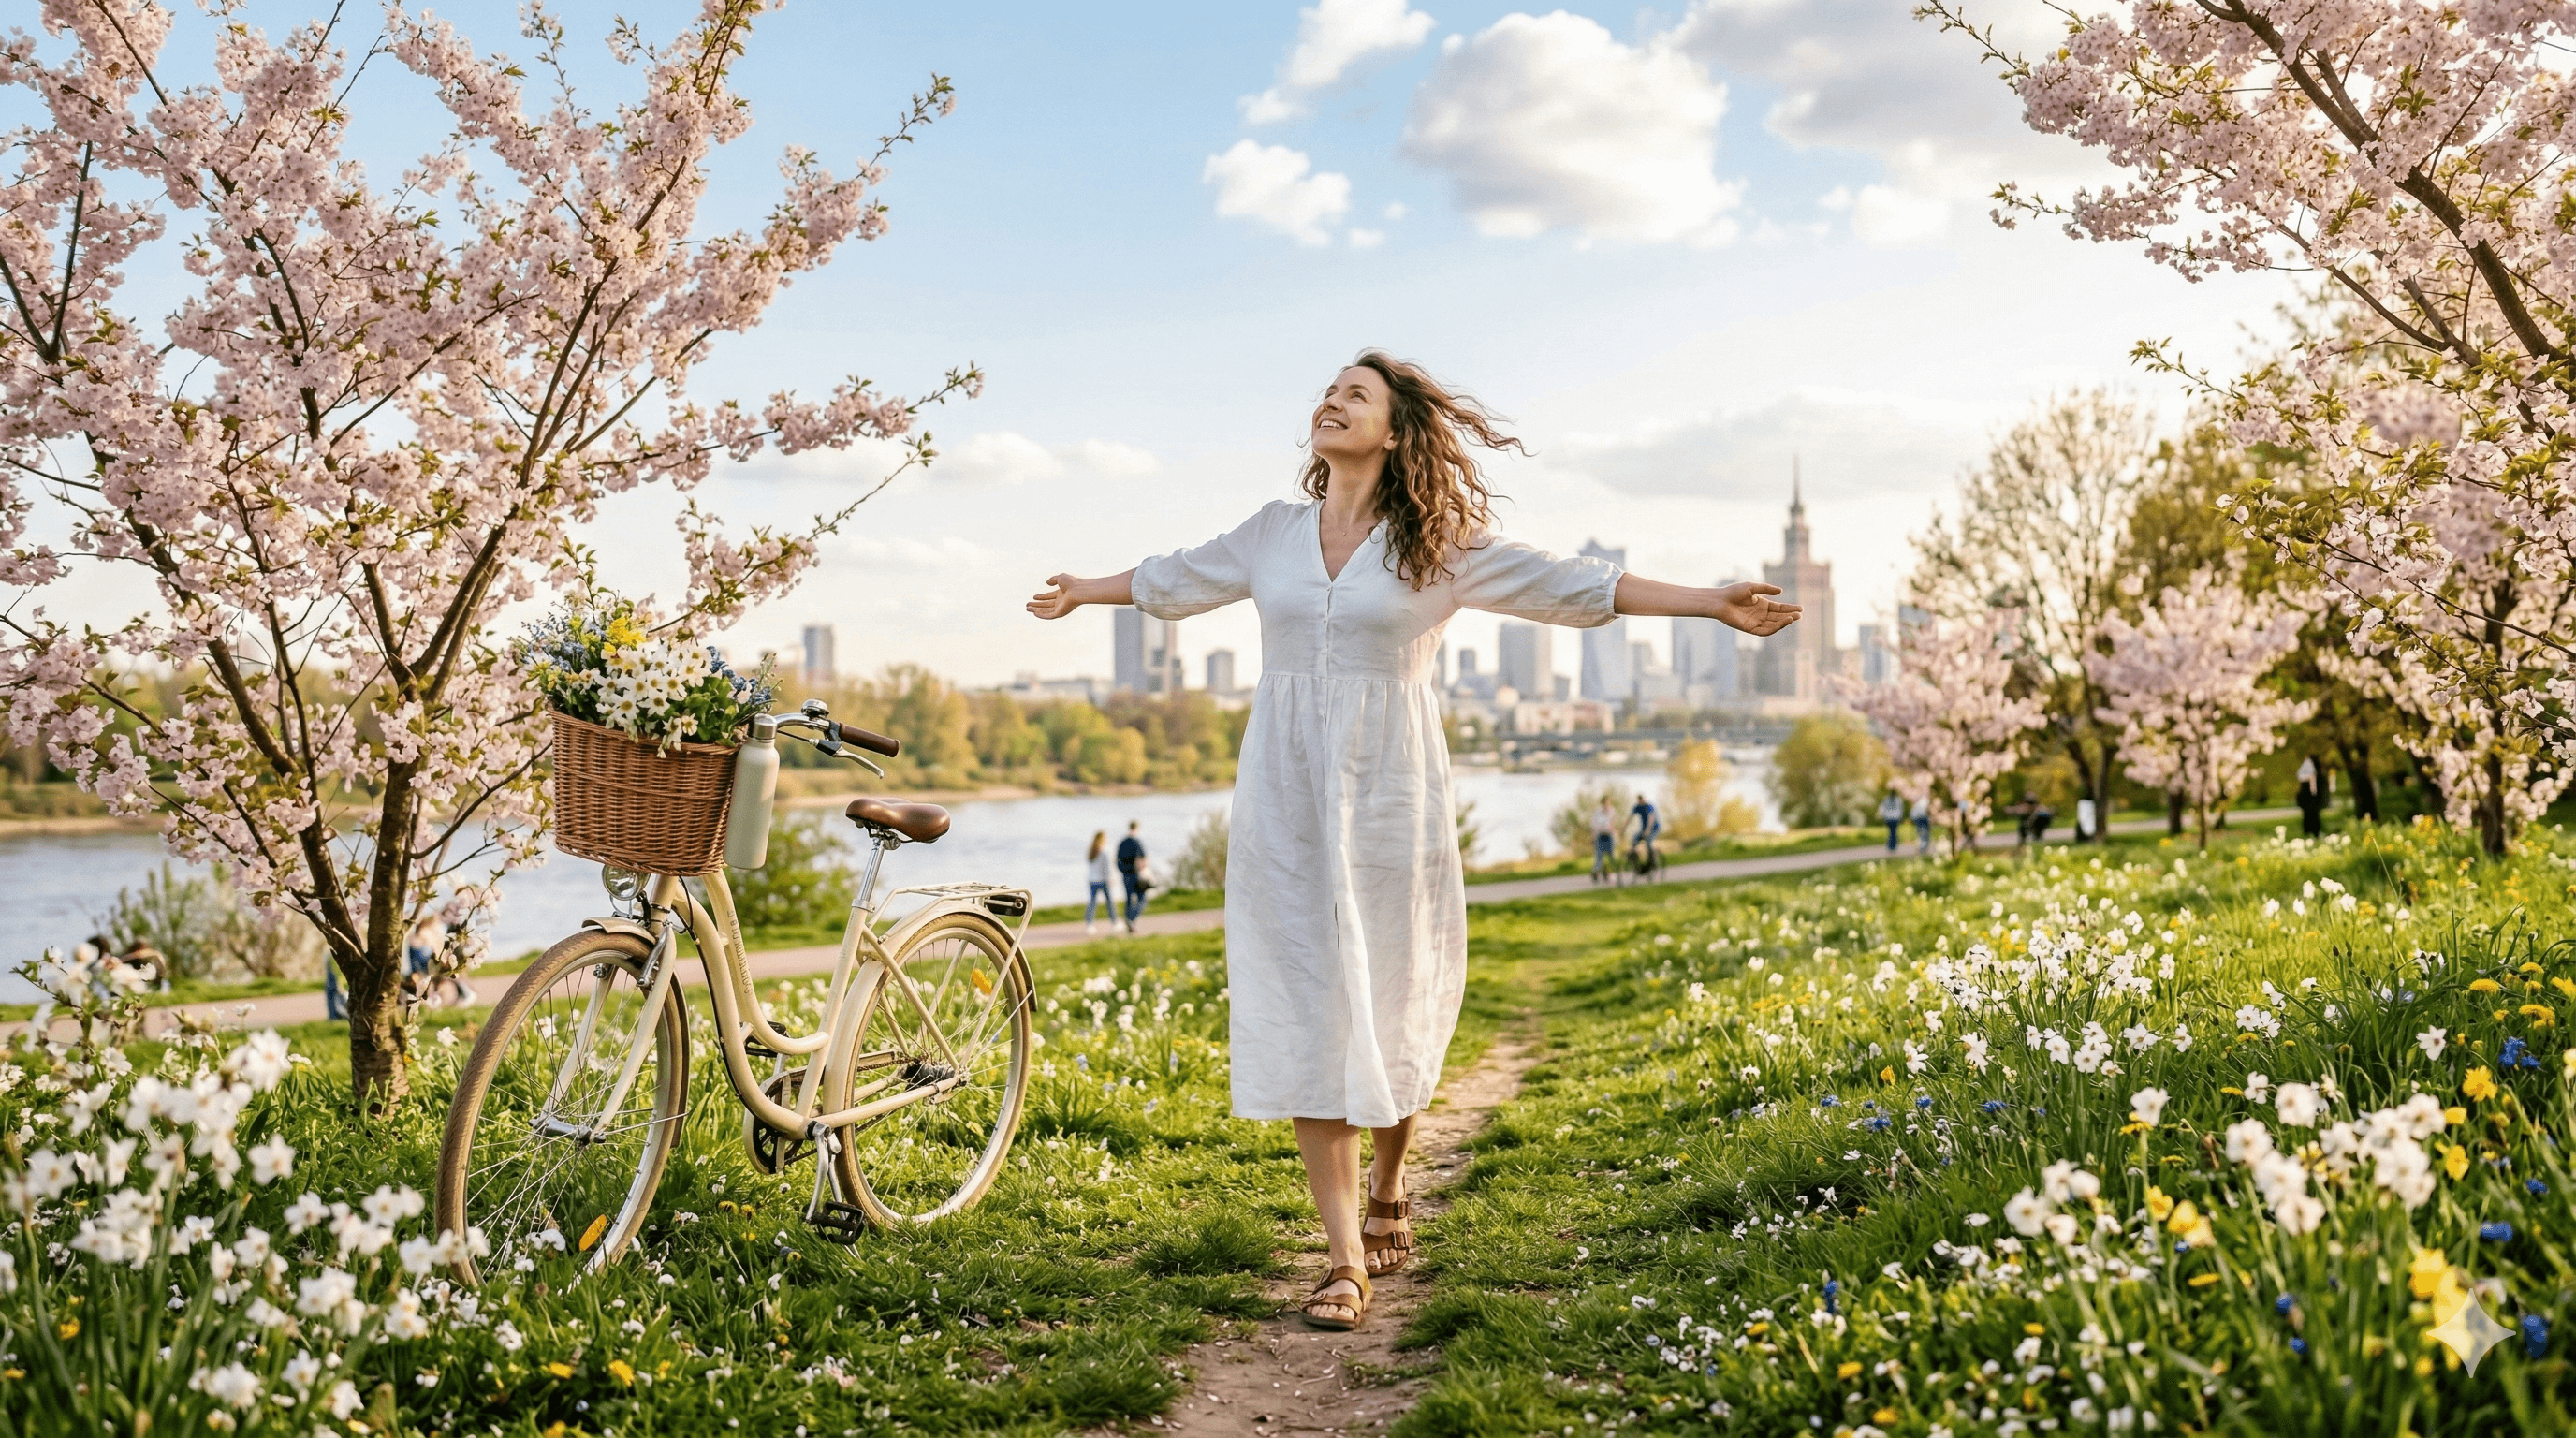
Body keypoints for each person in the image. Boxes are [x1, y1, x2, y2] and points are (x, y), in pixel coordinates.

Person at [1026, 349, 1800, 1330]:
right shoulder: (1272, 534)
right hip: (1286, 791)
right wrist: (1081, 589)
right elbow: (1174, 577)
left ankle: (1393, 1180)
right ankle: (1343, 1259)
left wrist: (1707, 602)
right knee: (1307, 987)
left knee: (1389, 990)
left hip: (1393, 790)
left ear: (1393, 433)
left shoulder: (1437, 542)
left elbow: (1568, 585)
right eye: (1327, 389)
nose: (1330, 400)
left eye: (1355, 395)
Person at [1115, 821, 1149, 932]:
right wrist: (1144, 871)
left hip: (1125, 874)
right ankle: (1131, 919)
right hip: (1135, 874)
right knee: (1142, 899)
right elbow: (1143, 859)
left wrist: (1122, 870)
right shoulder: (1136, 842)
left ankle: (1129, 922)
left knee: (1129, 899)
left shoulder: (1122, 842)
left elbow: (1117, 859)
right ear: (1137, 828)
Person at [1084, 829, 1118, 934]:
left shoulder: (1091, 852)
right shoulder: (1104, 852)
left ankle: (1089, 925)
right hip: (1103, 881)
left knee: (1092, 903)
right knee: (1109, 902)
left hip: (1092, 881)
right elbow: (1107, 868)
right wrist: (1110, 879)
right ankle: (1114, 923)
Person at [1629, 792, 1661, 878]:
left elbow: (1651, 818)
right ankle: (1638, 863)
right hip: (1644, 830)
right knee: (1634, 840)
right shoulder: (1637, 807)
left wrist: (1647, 830)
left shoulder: (1649, 806)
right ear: (1638, 801)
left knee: (1648, 842)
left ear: (1644, 799)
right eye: (1640, 800)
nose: (1641, 801)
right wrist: (1623, 829)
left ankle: (1654, 862)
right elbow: (1629, 818)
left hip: (1654, 828)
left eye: (1642, 799)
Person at [2295, 754, 2328, 838]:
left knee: (2312, 818)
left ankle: (2313, 833)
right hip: (2310, 800)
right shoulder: (2311, 774)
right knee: (2311, 817)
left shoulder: (2316, 775)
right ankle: (2312, 834)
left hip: (2311, 801)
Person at [1589, 796, 1618, 883]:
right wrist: (1593, 836)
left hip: (1609, 836)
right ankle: (1596, 873)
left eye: (1608, 803)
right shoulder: (1597, 812)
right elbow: (1593, 825)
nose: (1606, 805)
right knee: (1599, 858)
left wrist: (1615, 835)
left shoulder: (1612, 811)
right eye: (1605, 803)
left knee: (1612, 856)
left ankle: (1608, 873)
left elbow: (1613, 823)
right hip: (1600, 836)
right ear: (1602, 803)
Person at [1878, 788, 1907, 853]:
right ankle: (1893, 846)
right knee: (1893, 832)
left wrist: (1883, 816)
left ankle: (1891, 846)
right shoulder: (1898, 799)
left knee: (1891, 832)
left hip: (1889, 818)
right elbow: (1900, 809)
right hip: (1894, 818)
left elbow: (1883, 808)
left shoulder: (1887, 799)